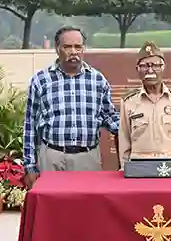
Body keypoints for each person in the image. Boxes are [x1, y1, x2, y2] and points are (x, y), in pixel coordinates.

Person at [22, 26, 120, 189]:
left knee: (86, 209)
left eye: (78, 46)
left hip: (87, 158)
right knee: (52, 209)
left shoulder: (97, 80)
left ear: (84, 48)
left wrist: (136, 130)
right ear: (57, 49)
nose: (73, 52)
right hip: (51, 157)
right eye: (67, 47)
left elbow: (109, 117)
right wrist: (30, 165)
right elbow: (30, 125)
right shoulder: (41, 80)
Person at [118, 41, 171, 168]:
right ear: (137, 69)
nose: (150, 70)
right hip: (141, 166)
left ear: (163, 68)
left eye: (155, 65)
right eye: (144, 66)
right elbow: (124, 141)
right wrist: (125, 168)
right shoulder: (128, 102)